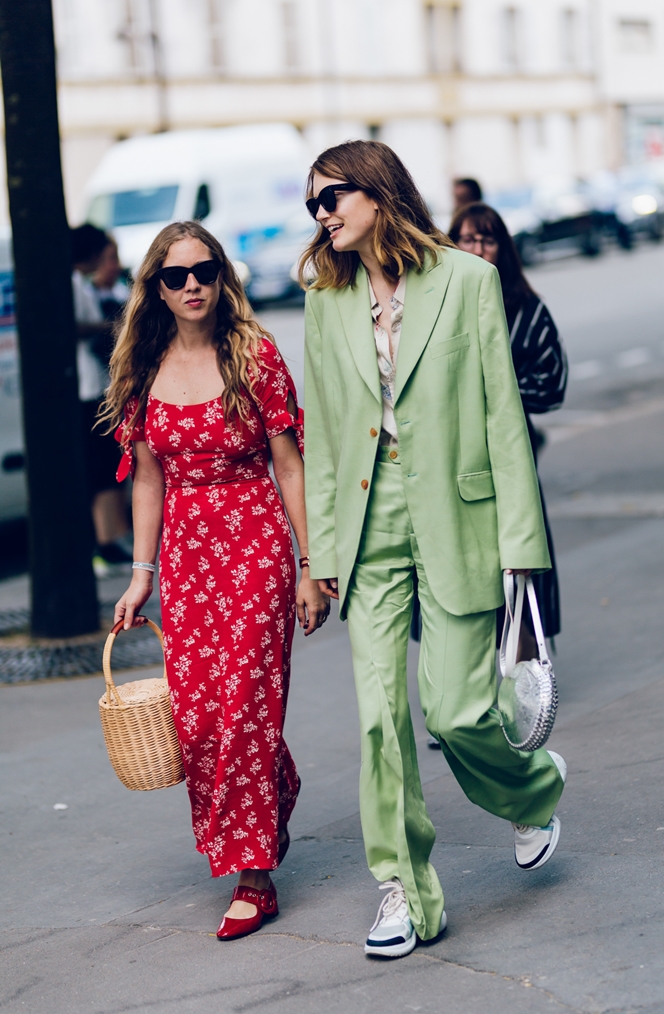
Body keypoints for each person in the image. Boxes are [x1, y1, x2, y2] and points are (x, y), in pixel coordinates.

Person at [301, 141, 565, 960]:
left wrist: (521, 544)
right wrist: (321, 557)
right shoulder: (325, 300)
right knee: (379, 721)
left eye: (333, 196)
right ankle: (401, 891)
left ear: (378, 192)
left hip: (457, 520)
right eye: (313, 205)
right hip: (369, 531)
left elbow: (501, 419)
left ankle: (532, 789)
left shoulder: (468, 282)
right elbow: (324, 438)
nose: (323, 215)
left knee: (452, 713)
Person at [102, 221, 329, 941]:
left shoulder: (254, 356)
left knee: (245, 706)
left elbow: (290, 466)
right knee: (201, 716)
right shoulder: (144, 366)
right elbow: (146, 479)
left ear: (221, 276)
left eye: (204, 271)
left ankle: (253, 873)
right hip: (187, 557)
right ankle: (275, 791)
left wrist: (309, 564)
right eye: (176, 276)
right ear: (157, 287)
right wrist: (141, 576)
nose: (192, 284)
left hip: (255, 543)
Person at [449, 202, 567, 653]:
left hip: (511, 452)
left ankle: (528, 651)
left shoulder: (526, 309)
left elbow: (553, 384)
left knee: (519, 546)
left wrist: (497, 393)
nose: (477, 248)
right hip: (453, 454)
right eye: (467, 239)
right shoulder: (435, 307)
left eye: (487, 238)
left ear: (503, 247)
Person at [71, 224, 132, 575]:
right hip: (87, 389)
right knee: (101, 469)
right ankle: (105, 542)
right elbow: (75, 325)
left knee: (109, 467)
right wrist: (105, 328)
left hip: (97, 387)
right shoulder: (74, 284)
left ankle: (112, 539)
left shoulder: (86, 285)